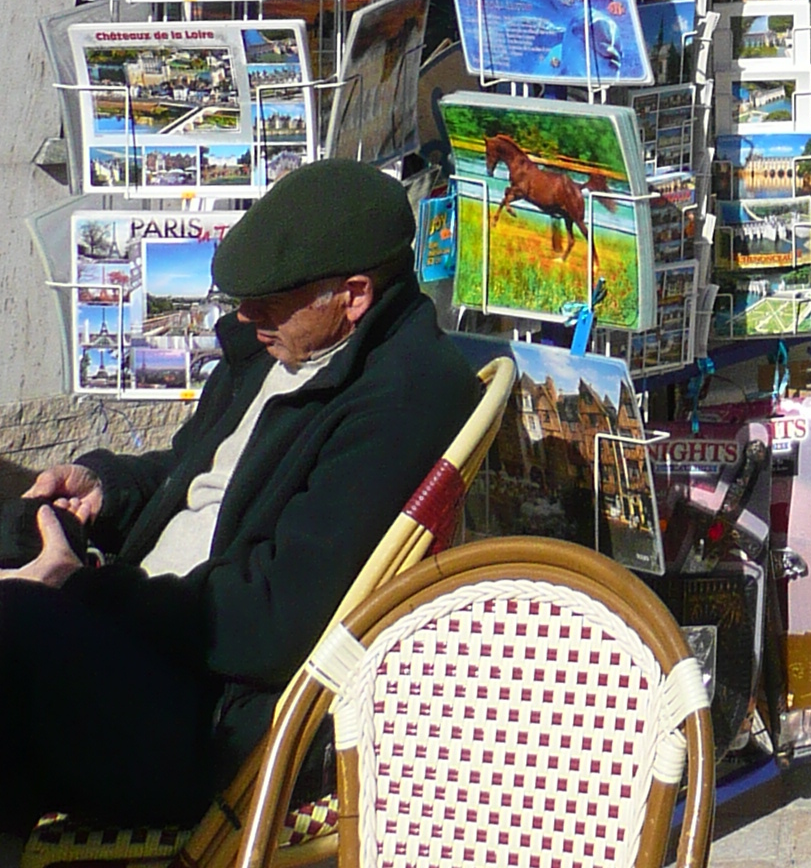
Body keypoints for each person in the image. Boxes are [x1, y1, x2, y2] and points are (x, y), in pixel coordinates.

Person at [0, 161, 479, 848]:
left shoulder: (402, 400)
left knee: (11, 634)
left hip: (207, 713)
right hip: (139, 623)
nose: (245, 316)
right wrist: (107, 486)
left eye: (269, 301)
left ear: (352, 294)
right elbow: (195, 473)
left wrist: (78, 589)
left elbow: (271, 624)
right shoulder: (274, 352)